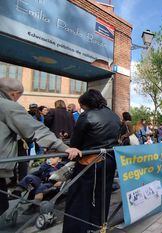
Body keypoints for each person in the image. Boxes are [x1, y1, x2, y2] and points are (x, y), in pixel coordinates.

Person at [0, 78, 80, 216]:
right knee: (1, 204)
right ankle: (21, 190)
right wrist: (63, 147)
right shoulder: (7, 105)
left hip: (50, 169)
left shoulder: (52, 113)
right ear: (14, 94)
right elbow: (36, 129)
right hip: (60, 143)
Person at [63, 89, 120, 233]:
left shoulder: (86, 116)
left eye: (82, 106)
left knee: (78, 198)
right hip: (110, 161)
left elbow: (75, 143)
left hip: (89, 162)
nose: (81, 108)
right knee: (102, 196)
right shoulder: (114, 116)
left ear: (87, 104)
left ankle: (78, 229)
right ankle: (97, 226)